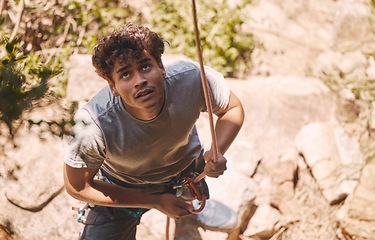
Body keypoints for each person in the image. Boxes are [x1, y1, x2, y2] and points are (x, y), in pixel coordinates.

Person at [63, 23, 244, 240]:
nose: (140, 81)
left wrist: (218, 150)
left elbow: (231, 108)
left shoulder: (191, 78)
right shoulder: (95, 124)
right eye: (126, 75)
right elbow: (77, 186)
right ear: (113, 86)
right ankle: (184, 207)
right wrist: (156, 201)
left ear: (161, 66)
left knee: (188, 202)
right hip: (120, 186)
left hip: (185, 173)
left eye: (146, 67)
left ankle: (190, 211)